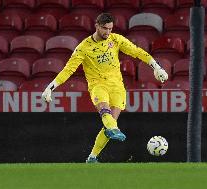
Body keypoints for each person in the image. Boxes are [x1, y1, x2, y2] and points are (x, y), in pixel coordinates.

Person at [42, 13, 168, 163]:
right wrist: (51, 87)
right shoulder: (83, 48)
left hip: (117, 87)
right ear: (96, 26)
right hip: (98, 85)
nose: (108, 32)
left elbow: (137, 52)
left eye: (110, 29)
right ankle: (114, 130)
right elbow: (68, 70)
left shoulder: (116, 39)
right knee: (105, 112)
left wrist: (156, 67)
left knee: (109, 122)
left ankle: (92, 157)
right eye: (104, 29)